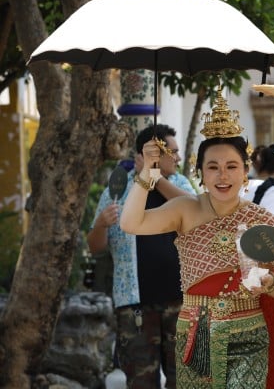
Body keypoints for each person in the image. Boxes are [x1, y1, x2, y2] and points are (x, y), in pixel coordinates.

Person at [120, 89, 274, 388]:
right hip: (197, 333)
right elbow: (131, 222)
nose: (223, 176)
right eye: (213, 167)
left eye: (232, 167)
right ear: (200, 173)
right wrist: (147, 172)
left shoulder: (260, 217)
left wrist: (269, 282)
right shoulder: (185, 209)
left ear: (245, 172)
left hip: (249, 332)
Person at [87, 124, 196, 388]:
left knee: (183, 378)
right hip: (134, 304)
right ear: (154, 154)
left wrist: (155, 178)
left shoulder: (178, 183)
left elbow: (196, 215)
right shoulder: (118, 189)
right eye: (174, 152)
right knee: (140, 380)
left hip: (180, 301)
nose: (179, 158)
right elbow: (95, 246)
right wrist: (101, 224)